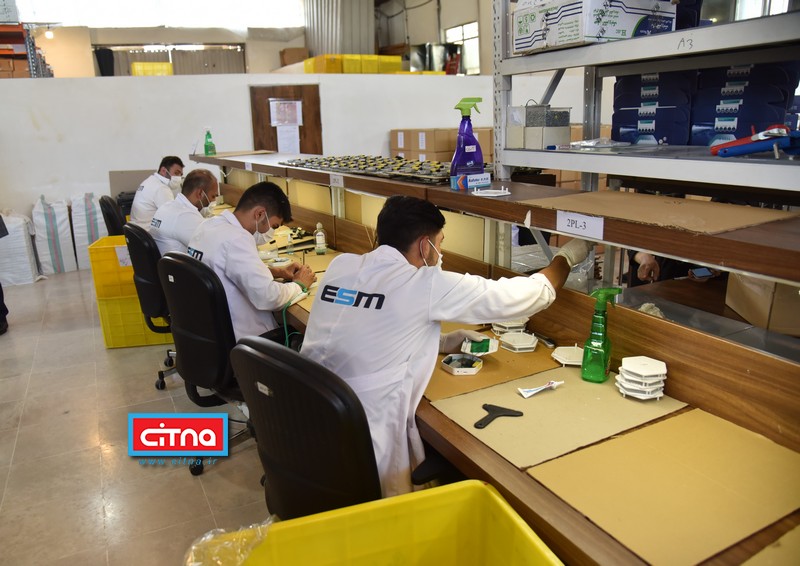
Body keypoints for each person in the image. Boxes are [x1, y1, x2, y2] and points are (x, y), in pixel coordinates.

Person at [300, 195, 593, 497]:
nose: (440, 253)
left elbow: (367, 326)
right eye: (440, 244)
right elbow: (529, 294)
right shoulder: (423, 283)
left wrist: (441, 342)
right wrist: (566, 257)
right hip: (365, 437)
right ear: (425, 246)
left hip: (306, 421)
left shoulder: (341, 265)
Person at [187, 181, 316, 342]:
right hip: (246, 340)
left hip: (208, 332)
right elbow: (268, 297)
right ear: (260, 214)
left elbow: (225, 270)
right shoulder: (237, 238)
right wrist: (299, 285)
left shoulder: (207, 226)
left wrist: (276, 272)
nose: (270, 232)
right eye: (274, 226)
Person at [150, 169, 219, 255]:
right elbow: (213, 248)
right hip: (177, 263)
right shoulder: (185, 216)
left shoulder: (167, 206)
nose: (214, 201)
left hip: (163, 261)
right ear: (200, 193)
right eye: (213, 196)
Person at [129, 156, 185, 229]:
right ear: (163, 171)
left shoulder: (149, 180)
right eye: (176, 173)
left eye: (181, 175)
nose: (179, 178)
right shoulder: (161, 188)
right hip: (147, 231)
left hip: (135, 229)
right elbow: (173, 219)